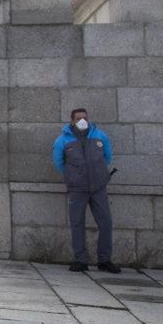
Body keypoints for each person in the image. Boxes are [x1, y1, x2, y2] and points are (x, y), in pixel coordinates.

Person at [52, 108, 119, 273]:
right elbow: (58, 161)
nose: (83, 121)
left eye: (85, 118)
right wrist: (72, 176)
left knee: (106, 223)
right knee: (77, 224)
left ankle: (104, 260)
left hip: (98, 187)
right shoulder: (62, 140)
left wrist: (99, 174)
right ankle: (80, 260)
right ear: (72, 121)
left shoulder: (100, 136)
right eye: (78, 118)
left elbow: (108, 156)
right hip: (77, 188)